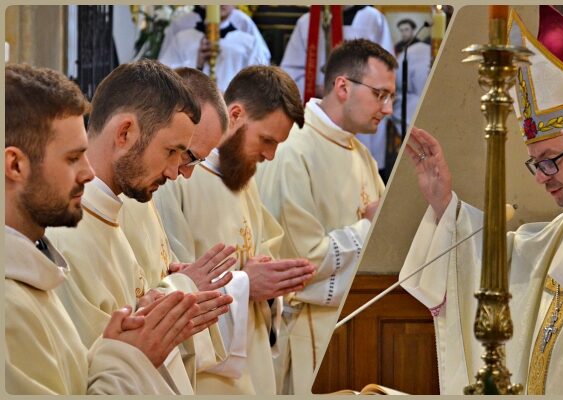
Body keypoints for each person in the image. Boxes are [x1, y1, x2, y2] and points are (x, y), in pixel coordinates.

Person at [399, 6, 563, 394]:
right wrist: (444, 206)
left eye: (550, 161)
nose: (540, 177)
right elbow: (507, 265)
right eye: (535, 163)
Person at [4, 63, 198, 394]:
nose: (88, 173)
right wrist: (131, 356)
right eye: (72, 158)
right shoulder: (9, 303)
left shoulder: (35, 269)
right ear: (15, 164)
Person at [44, 60, 229, 394]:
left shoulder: (112, 214)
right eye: (171, 151)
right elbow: (84, 378)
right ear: (125, 133)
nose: (175, 172)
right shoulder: (66, 234)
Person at [154, 65, 316, 394]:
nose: (270, 155)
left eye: (277, 144)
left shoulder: (242, 176)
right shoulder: (177, 177)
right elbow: (173, 278)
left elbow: (260, 251)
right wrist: (246, 284)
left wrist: (271, 280)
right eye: (266, 140)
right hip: (207, 375)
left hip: (253, 361)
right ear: (237, 114)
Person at [256, 39, 394, 394]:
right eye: (380, 94)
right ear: (343, 86)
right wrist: (368, 228)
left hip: (358, 327)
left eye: (391, 96)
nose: (388, 108)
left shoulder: (360, 153)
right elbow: (297, 265)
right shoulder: (292, 148)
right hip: (308, 336)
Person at [117, 67, 237, 390]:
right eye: (186, 155)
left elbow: (156, 276)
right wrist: (184, 284)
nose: (181, 173)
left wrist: (182, 278)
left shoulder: (143, 193)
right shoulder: (131, 192)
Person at [280, 6, 394, 172]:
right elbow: (291, 71)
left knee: (361, 171)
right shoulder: (307, 22)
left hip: (361, 114)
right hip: (320, 110)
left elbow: (387, 70)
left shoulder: (372, 19)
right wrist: (318, 88)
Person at [158, 5, 270, 93]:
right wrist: (196, 64)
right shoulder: (183, 38)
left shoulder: (248, 42)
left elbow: (259, 79)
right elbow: (163, 76)